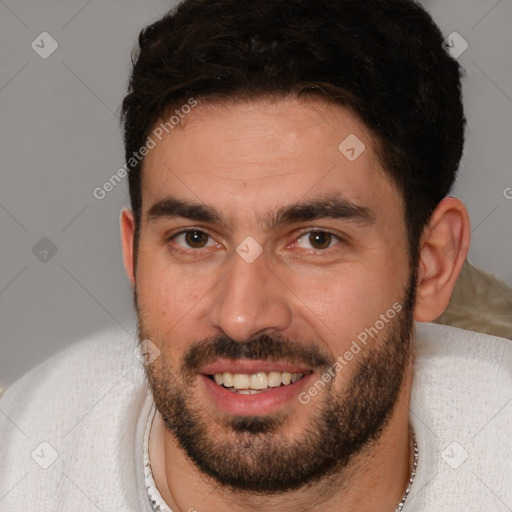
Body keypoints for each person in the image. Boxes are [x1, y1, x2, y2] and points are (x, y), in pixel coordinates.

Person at [1, 0, 511, 510]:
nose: (242, 317)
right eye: (195, 239)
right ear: (134, 257)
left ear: (432, 264)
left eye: (316, 239)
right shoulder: (22, 459)